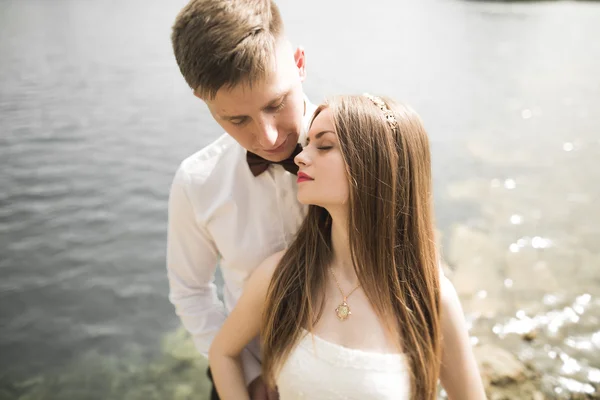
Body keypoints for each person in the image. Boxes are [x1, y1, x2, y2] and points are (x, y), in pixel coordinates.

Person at [208, 94, 487, 399]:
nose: (301, 156)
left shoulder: (431, 298)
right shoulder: (281, 276)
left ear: (376, 164)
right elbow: (223, 354)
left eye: (324, 145)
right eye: (308, 143)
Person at [167, 0, 315, 398]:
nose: (268, 138)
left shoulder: (362, 149)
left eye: (275, 104)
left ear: (299, 62)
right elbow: (190, 290)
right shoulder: (197, 183)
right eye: (237, 120)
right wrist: (244, 374)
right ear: (203, 100)